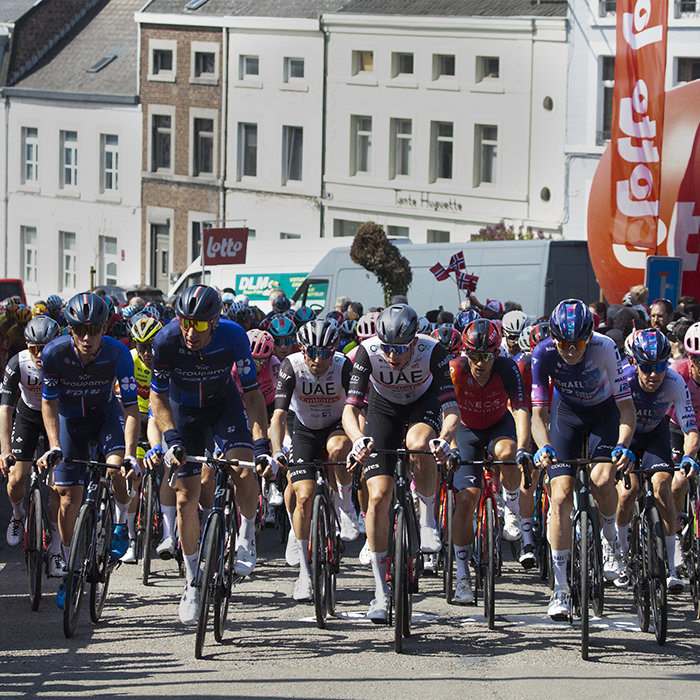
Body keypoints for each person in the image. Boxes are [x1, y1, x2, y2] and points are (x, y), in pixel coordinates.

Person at [149, 284, 274, 624]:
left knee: (244, 469)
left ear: (215, 321)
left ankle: (246, 537)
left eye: (200, 325)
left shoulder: (233, 336)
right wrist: (171, 436)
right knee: (185, 501)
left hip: (224, 407)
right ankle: (192, 581)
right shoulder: (166, 341)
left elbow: (251, 395)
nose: (191, 332)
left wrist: (262, 444)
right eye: (185, 322)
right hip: (184, 413)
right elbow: (157, 399)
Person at [342, 304, 460, 620]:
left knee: (419, 443)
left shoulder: (432, 351)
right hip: (384, 409)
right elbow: (350, 410)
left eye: (400, 349)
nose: (392, 356)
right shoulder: (367, 352)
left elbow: (451, 410)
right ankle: (380, 592)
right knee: (378, 495)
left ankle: (426, 520)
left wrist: (444, 439)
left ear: (414, 342)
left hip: (423, 404)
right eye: (388, 349)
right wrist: (357, 439)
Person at [531, 299, 636, 620]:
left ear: (589, 337)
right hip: (567, 416)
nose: (570, 350)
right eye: (563, 342)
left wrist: (623, 445)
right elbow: (539, 413)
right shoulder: (543, 353)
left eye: (577, 343)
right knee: (560, 495)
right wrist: (542, 444)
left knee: (602, 479)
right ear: (553, 338)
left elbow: (627, 410)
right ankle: (560, 588)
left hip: (604, 414)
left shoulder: (604, 348)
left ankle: (609, 539)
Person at [37, 293, 140, 608]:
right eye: (80, 329)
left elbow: (132, 407)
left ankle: (122, 522)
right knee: (68, 497)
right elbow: (48, 403)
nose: (87, 337)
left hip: (105, 418)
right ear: (69, 329)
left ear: (104, 328)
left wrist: (132, 453)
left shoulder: (118, 353)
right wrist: (54, 445)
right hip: (70, 423)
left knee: (116, 468)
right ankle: (70, 568)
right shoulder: (54, 354)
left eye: (94, 329)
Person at [270, 319, 356, 601]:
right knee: (303, 495)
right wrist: (277, 450)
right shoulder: (291, 366)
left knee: (340, 447)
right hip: (302, 428)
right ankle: (305, 573)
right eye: (312, 353)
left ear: (335, 349)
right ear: (302, 349)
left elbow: (358, 408)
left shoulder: (344, 366)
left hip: (336, 425)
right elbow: (278, 416)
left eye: (325, 353)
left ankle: (344, 505)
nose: (318, 360)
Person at [448, 319, 533, 603]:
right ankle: (461, 576)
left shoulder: (508, 367)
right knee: (466, 501)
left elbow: (521, 409)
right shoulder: (456, 369)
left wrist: (523, 447)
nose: (480, 362)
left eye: (487, 356)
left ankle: (510, 507)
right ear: (465, 352)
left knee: (508, 455)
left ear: (497, 353)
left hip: (499, 426)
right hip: (466, 431)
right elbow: (444, 409)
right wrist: (448, 444)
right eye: (474, 355)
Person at [613, 329, 698, 593]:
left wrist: (689, 456)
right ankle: (619, 555)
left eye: (660, 366)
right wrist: (618, 448)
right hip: (623, 436)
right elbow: (604, 417)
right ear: (635, 362)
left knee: (663, 490)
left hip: (654, 435)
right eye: (647, 367)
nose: (654, 374)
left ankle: (671, 566)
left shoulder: (674, 381)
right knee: (628, 493)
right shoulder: (623, 378)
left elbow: (691, 428)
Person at [0, 316, 64, 578]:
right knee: (16, 479)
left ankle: (56, 548)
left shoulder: (64, 360)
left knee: (58, 487)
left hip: (57, 417)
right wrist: (4, 450)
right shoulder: (18, 363)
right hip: (27, 416)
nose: (38, 354)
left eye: (45, 347)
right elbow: (5, 408)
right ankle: (18, 514)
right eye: (33, 347)